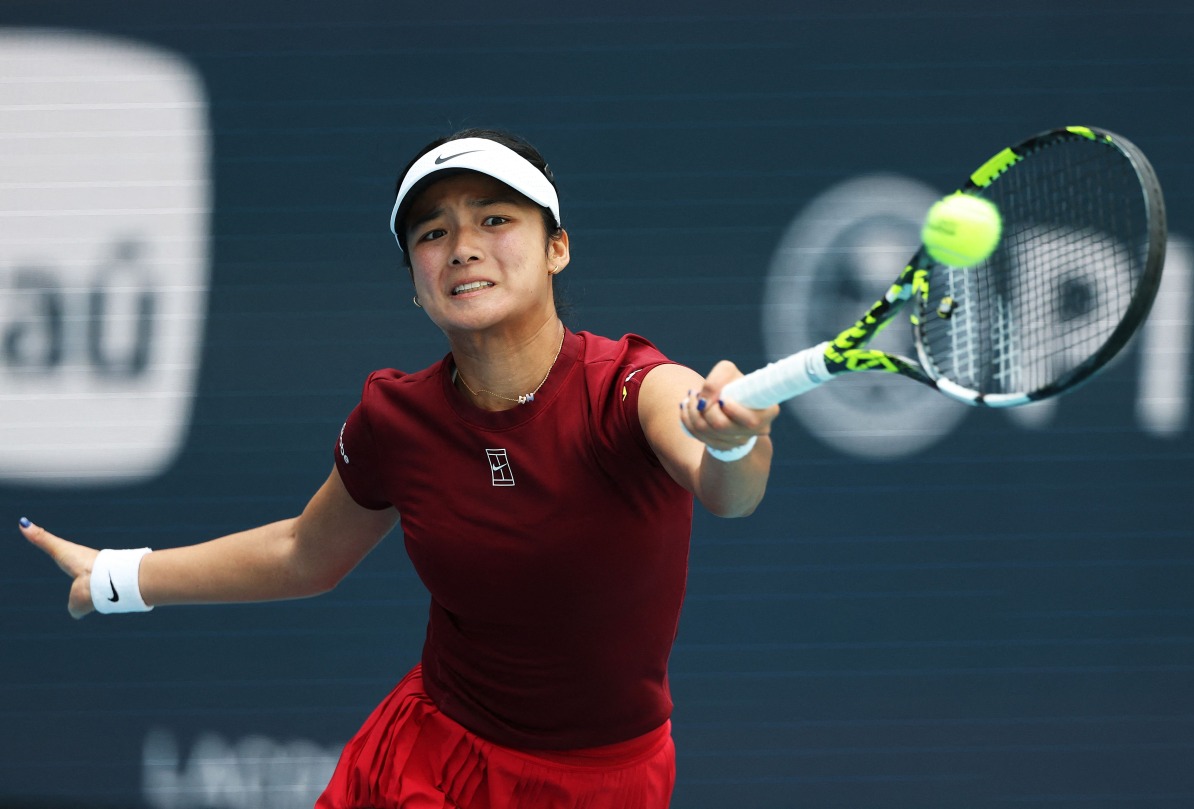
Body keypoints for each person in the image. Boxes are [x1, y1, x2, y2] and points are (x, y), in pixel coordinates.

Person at [20, 128, 779, 809]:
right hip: (429, 764)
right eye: (432, 231)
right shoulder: (397, 419)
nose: (462, 246)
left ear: (557, 247)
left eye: (494, 219)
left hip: (603, 784)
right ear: (416, 283)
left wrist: (734, 441)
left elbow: (728, 492)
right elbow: (302, 554)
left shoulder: (633, 387)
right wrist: (116, 577)